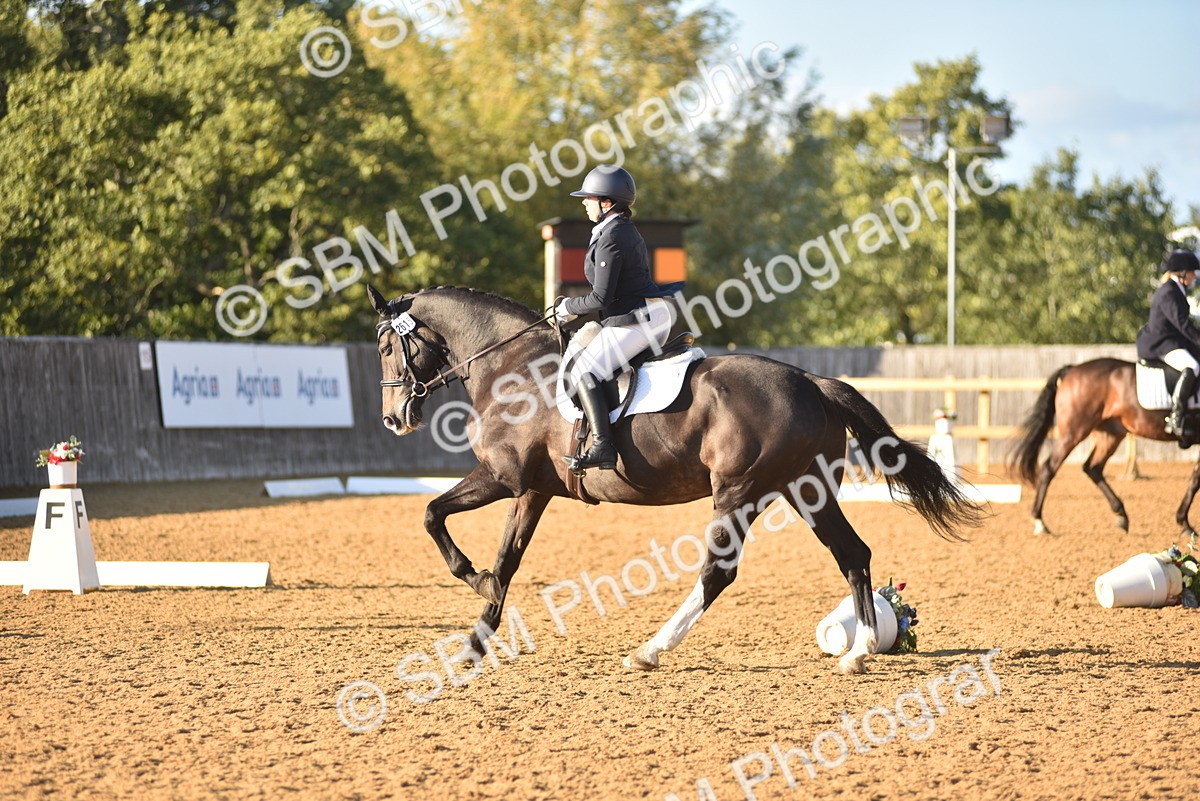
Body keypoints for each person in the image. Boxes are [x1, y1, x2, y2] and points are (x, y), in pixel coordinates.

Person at [553, 165, 680, 471]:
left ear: (606, 203)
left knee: (584, 370)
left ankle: (602, 447)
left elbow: (600, 298)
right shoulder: (616, 230)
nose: (584, 202)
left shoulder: (613, 236)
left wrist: (567, 307)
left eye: (589, 198)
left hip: (639, 319)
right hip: (642, 314)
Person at [1136, 248, 1200, 445]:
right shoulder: (1169, 292)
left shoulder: (1177, 290)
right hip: (1160, 344)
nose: (1195, 276)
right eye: (1192, 272)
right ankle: (1176, 416)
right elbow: (1182, 324)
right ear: (1182, 273)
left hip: (1171, 341)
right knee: (1192, 367)